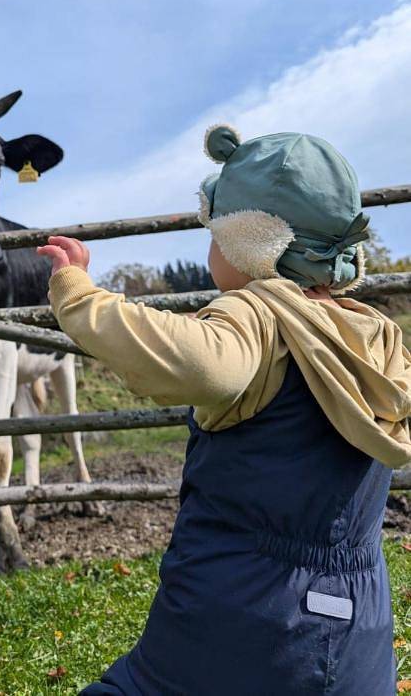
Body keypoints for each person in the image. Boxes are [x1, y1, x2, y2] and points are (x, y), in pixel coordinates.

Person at [36, 125, 411, 696]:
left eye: (213, 232)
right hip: (360, 625)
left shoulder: (258, 315)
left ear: (251, 242)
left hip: (244, 619)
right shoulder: (375, 337)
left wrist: (78, 292)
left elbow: (203, 363)